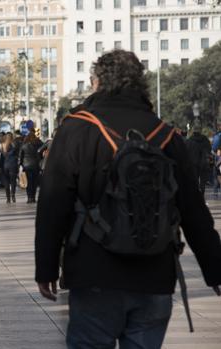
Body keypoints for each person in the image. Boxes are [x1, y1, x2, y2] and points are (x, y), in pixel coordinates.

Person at [35, 49, 221, 348]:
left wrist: (45, 267)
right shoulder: (164, 133)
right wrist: (215, 268)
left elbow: (52, 203)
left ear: (97, 82)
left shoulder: (76, 129)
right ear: (141, 84)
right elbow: (193, 209)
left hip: (93, 271)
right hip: (155, 274)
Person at [186, 126, 212, 195]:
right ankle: (202, 192)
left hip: (193, 163)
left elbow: (186, 152)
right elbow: (209, 150)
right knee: (203, 180)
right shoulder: (205, 140)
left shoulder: (189, 140)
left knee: (195, 179)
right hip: (204, 163)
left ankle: (196, 194)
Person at [19, 130, 43, 203]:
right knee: (34, 182)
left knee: (28, 182)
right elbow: (41, 153)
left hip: (26, 166)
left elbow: (21, 156)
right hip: (36, 165)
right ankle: (33, 197)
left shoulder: (24, 145)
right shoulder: (38, 144)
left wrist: (20, 165)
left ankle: (29, 197)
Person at [0, 133, 21, 204]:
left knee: (6, 183)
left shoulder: (1, 145)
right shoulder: (14, 144)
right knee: (13, 181)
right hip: (13, 165)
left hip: (4, 165)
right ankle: (13, 196)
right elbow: (18, 154)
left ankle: (8, 198)